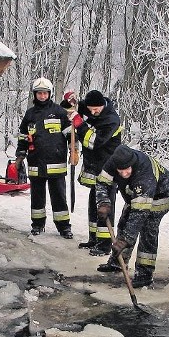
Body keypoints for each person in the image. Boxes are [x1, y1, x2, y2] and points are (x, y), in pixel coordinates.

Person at [95, 144, 169, 288]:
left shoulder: (144, 174)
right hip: (135, 196)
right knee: (124, 223)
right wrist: (103, 203)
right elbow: (102, 183)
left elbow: (140, 214)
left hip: (161, 194)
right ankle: (118, 262)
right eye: (121, 171)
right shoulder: (112, 163)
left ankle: (144, 273)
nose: (124, 174)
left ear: (132, 164)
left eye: (127, 170)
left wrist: (125, 239)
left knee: (147, 229)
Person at [60, 89, 122, 256]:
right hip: (94, 166)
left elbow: (94, 142)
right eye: (91, 109)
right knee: (93, 204)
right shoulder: (87, 110)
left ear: (103, 105)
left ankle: (104, 245)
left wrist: (80, 124)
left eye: (97, 110)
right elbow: (68, 111)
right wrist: (69, 102)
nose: (93, 112)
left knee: (105, 205)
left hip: (108, 168)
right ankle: (94, 239)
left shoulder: (111, 120)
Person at [15, 77, 73, 238]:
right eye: (39, 93)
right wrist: (20, 154)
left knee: (59, 197)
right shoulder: (30, 114)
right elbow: (23, 137)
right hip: (35, 162)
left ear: (50, 94)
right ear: (35, 94)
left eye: (45, 93)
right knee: (37, 198)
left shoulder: (59, 112)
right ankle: (37, 225)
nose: (42, 96)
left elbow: (70, 134)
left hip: (56, 163)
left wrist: (74, 149)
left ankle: (64, 227)